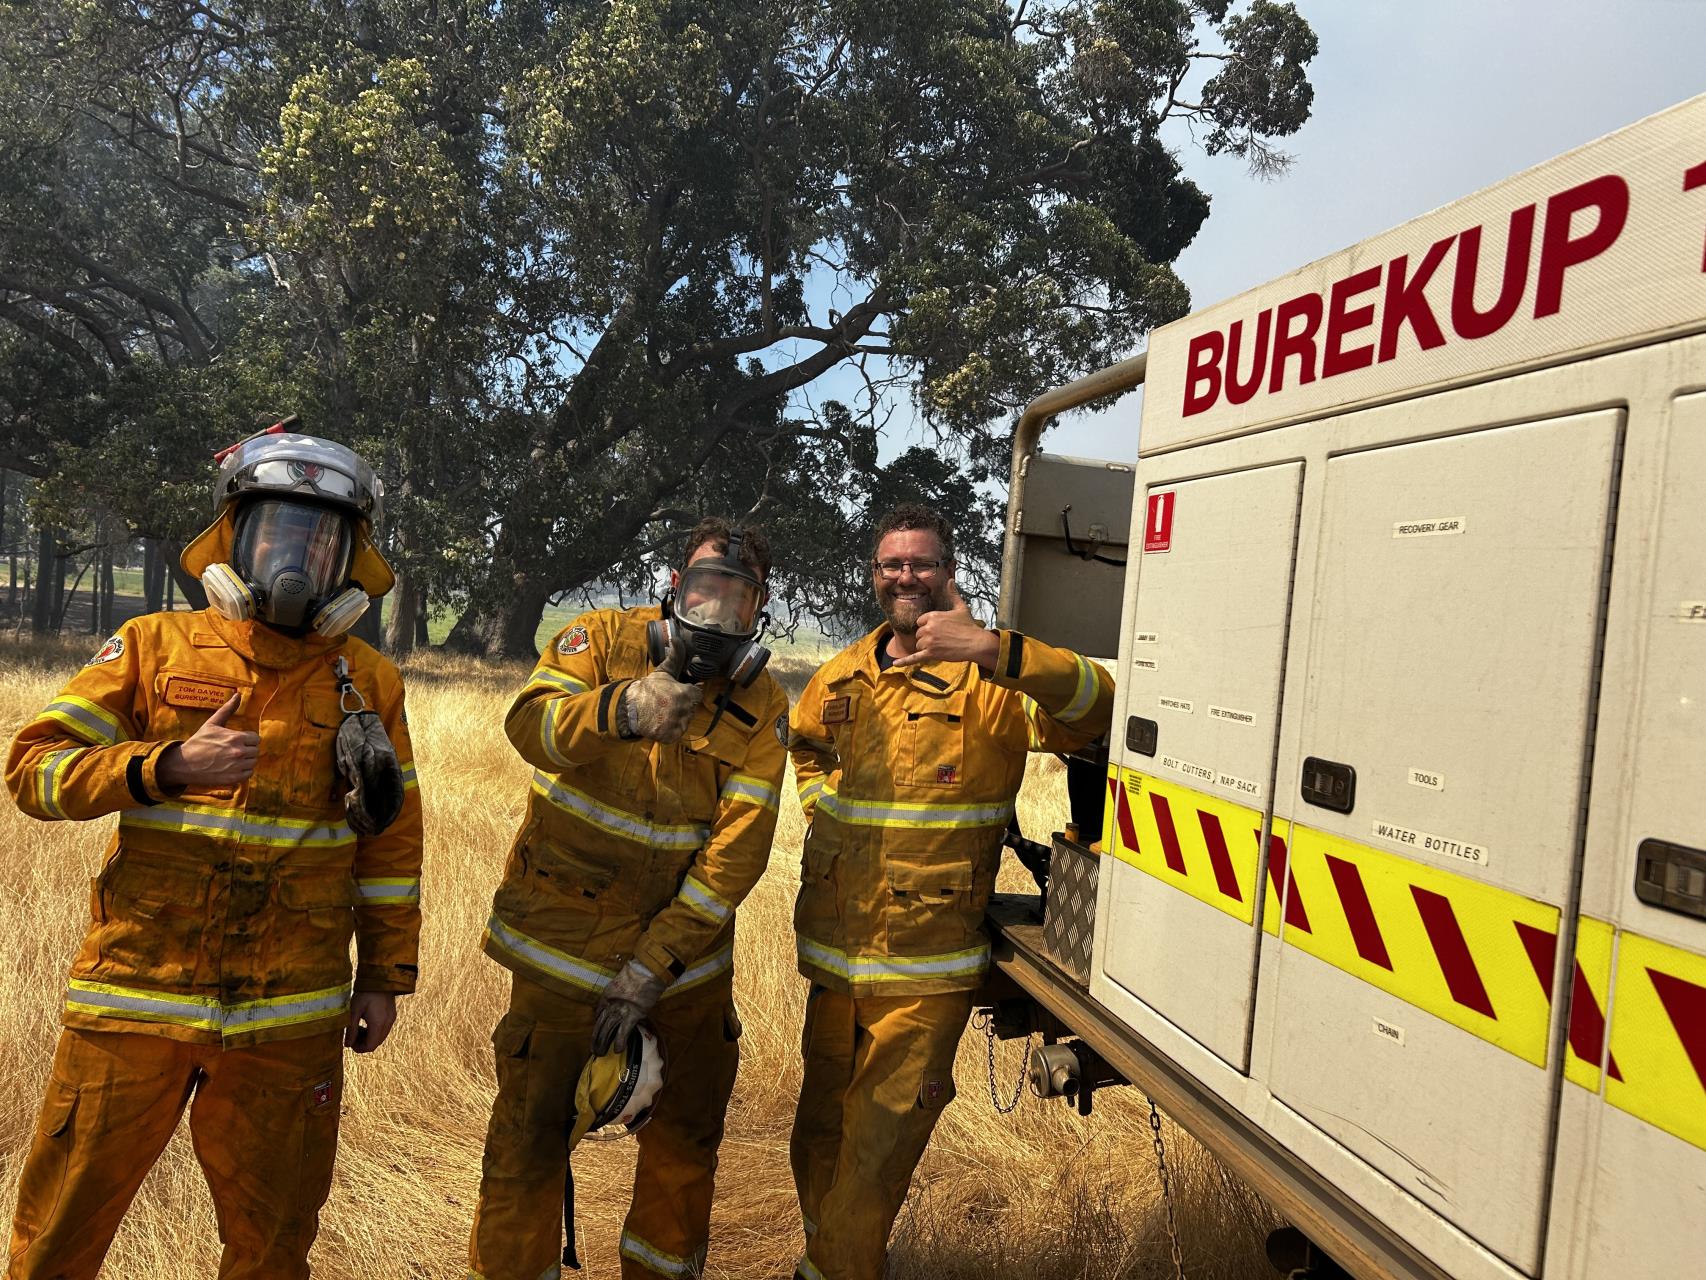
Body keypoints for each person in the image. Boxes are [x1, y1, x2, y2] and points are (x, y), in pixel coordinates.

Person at [4, 426, 422, 1280]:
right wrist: (164, 768)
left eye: (321, 541)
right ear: (234, 540)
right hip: (136, 998)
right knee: (57, 1237)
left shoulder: (369, 681)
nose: (297, 559)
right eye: (278, 534)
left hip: (290, 1018)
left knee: (274, 1247)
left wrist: (384, 976)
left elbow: (389, 841)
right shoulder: (151, 646)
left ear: (350, 561)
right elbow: (32, 772)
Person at [787, 502, 1114, 1280]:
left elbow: (1097, 709)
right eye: (892, 564)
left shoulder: (993, 680)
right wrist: (823, 810)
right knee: (817, 1140)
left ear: (948, 572)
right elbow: (805, 747)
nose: (906, 576)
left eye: (922, 563)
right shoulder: (842, 673)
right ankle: (838, 1260)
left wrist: (995, 649)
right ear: (875, 576)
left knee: (874, 1160)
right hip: (835, 961)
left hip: (924, 971)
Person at [469, 518, 791, 1280]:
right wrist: (623, 709)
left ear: (759, 612)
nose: (716, 615)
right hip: (564, 954)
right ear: (673, 588)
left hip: (685, 976)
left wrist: (652, 967)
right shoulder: (600, 642)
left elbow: (734, 858)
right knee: (528, 1148)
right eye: (704, 591)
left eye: (737, 601)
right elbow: (529, 727)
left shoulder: (763, 706)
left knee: (684, 1150)